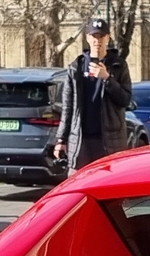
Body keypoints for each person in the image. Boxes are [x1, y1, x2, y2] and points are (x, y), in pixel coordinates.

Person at [55, 17, 133, 173]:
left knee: (109, 185)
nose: (98, 41)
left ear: (108, 38)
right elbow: (68, 107)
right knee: (78, 185)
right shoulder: (76, 67)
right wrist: (61, 140)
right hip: (81, 139)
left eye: (102, 37)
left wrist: (107, 78)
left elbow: (125, 100)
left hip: (109, 141)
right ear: (87, 38)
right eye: (94, 36)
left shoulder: (118, 65)